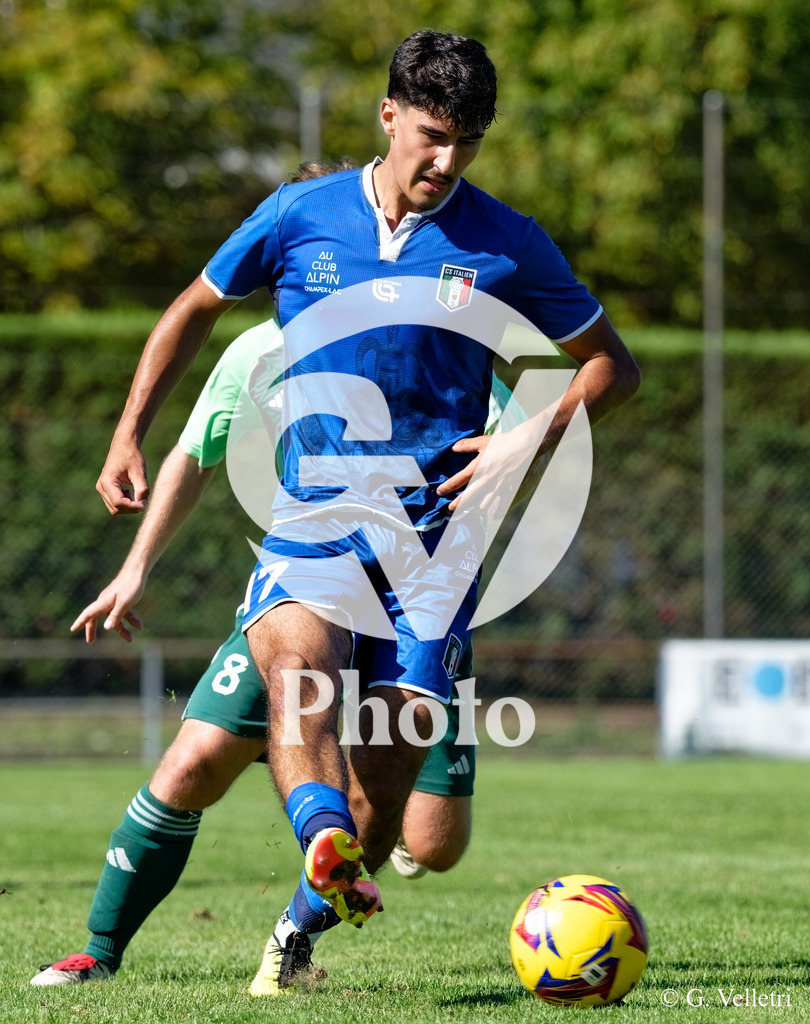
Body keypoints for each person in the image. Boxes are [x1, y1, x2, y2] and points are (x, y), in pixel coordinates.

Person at [92, 29, 640, 994]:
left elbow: (611, 364)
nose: (445, 160)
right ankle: (321, 840)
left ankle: (301, 924)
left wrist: (527, 434)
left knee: (390, 793)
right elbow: (191, 307)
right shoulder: (299, 213)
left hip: (437, 546)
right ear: (387, 116)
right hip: (313, 518)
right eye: (431, 134)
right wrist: (128, 431)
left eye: (466, 142)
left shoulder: (506, 241)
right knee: (298, 675)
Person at [30, 189, 528, 991]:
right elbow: (193, 457)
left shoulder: (436, 342)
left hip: (414, 592)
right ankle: (99, 949)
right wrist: (135, 568)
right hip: (304, 579)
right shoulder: (253, 353)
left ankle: (294, 935)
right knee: (192, 762)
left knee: (430, 842)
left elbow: (502, 444)